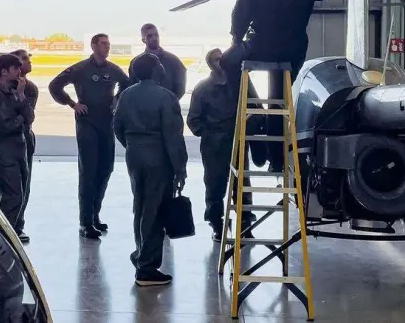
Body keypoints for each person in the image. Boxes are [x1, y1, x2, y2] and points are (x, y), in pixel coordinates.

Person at [225, 0, 374, 172]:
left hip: (260, 46)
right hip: (291, 50)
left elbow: (239, 15)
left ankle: (254, 112)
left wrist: (236, 40)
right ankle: (276, 160)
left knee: (226, 64)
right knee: (279, 98)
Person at [113, 53, 188, 287]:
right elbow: (173, 137)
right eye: (159, 64)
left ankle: (140, 254)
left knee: (141, 205)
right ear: (155, 70)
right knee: (155, 209)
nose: (162, 66)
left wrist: (134, 146)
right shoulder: (166, 97)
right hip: (158, 157)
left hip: (134, 155)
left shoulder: (126, 95)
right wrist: (180, 168)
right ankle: (147, 267)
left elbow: (118, 127)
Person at [49, 33, 132, 239]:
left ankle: (95, 214)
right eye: (103, 44)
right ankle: (85, 221)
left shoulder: (113, 69)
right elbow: (55, 86)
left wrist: (116, 99)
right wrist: (72, 104)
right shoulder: (80, 69)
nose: (107, 47)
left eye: (109, 44)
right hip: (87, 124)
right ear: (93, 45)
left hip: (106, 123)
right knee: (88, 172)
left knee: (105, 169)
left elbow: (127, 84)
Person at [186, 48, 260, 242]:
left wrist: (248, 125)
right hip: (214, 146)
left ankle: (245, 223)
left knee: (242, 183)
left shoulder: (241, 83)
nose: (221, 62)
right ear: (211, 64)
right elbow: (193, 119)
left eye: (222, 59)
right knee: (214, 185)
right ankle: (217, 224)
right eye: (217, 59)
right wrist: (211, 134)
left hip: (238, 140)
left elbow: (257, 106)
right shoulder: (203, 88)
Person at [0, 54, 34, 241]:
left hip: (19, 150)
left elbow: (30, 117)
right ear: (4, 72)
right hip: (5, 152)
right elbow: (5, 126)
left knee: (20, 194)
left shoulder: (14, 92)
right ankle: (3, 237)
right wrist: (21, 118)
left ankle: (8, 234)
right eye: (15, 69)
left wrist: (20, 96)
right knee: (11, 196)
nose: (19, 72)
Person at [10, 49, 38, 242]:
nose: (29, 62)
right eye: (24, 59)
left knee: (24, 184)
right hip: (8, 140)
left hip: (25, 137)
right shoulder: (2, 88)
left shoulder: (31, 89)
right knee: (6, 184)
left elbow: (27, 117)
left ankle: (18, 224)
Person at [128, 23, 187, 99]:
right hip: (143, 107)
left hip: (167, 107)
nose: (154, 38)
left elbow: (180, 88)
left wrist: (170, 104)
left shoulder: (173, 61)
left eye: (156, 35)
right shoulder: (136, 63)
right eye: (150, 36)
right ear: (143, 40)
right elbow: (132, 87)